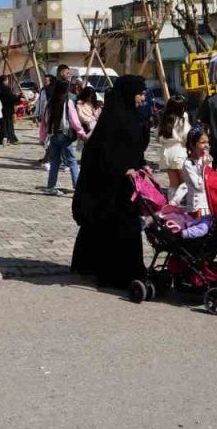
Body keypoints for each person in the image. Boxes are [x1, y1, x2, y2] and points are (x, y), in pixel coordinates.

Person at [71, 74, 149, 289]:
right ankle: (115, 274)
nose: (143, 98)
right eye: (140, 94)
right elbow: (104, 155)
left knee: (126, 230)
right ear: (128, 94)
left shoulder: (132, 117)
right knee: (117, 230)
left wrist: (142, 165)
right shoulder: (114, 120)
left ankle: (128, 270)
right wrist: (124, 170)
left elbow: (134, 149)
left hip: (129, 188)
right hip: (112, 190)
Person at [39, 80, 89, 195]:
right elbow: (74, 121)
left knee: (55, 162)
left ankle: (50, 187)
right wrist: (82, 133)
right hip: (64, 136)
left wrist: (42, 137)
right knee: (72, 161)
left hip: (53, 136)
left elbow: (44, 121)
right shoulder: (68, 102)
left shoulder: (50, 102)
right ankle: (77, 186)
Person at [173, 127, 212, 215]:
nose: (207, 146)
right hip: (197, 207)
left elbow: (211, 181)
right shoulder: (188, 164)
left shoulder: (207, 159)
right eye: (202, 142)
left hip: (208, 203)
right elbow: (200, 186)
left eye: (207, 142)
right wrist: (205, 167)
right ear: (192, 145)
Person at [156, 96, 190, 194]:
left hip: (165, 152)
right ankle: (182, 205)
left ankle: (172, 205)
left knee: (173, 183)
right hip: (179, 151)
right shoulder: (183, 118)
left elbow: (157, 136)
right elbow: (186, 135)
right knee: (185, 183)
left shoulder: (163, 118)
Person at [0, 75, 20, 144]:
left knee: (1, 126)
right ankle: (10, 138)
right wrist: (18, 97)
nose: (7, 81)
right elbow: (10, 98)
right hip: (7, 109)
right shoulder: (5, 89)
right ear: (4, 81)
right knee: (8, 125)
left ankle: (3, 138)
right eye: (7, 80)